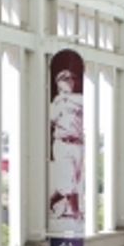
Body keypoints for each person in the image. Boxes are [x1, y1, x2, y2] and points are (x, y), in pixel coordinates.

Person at [48, 66, 84, 221]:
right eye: (66, 79)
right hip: (62, 142)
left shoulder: (78, 98)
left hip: (78, 143)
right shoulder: (55, 102)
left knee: (74, 180)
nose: (70, 82)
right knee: (69, 180)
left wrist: (66, 99)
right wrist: (61, 101)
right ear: (59, 82)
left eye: (72, 79)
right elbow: (51, 119)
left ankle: (52, 201)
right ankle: (76, 213)